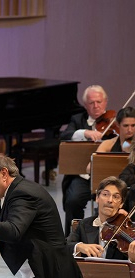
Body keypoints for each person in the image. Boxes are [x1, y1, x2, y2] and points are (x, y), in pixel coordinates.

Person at [60, 85, 111, 237]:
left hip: (108, 177)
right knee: (73, 201)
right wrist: (85, 132)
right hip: (83, 176)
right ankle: (73, 238)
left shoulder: (114, 121)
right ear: (85, 105)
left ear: (106, 102)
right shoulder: (77, 120)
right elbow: (64, 136)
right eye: (91, 103)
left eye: (99, 102)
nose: (96, 106)